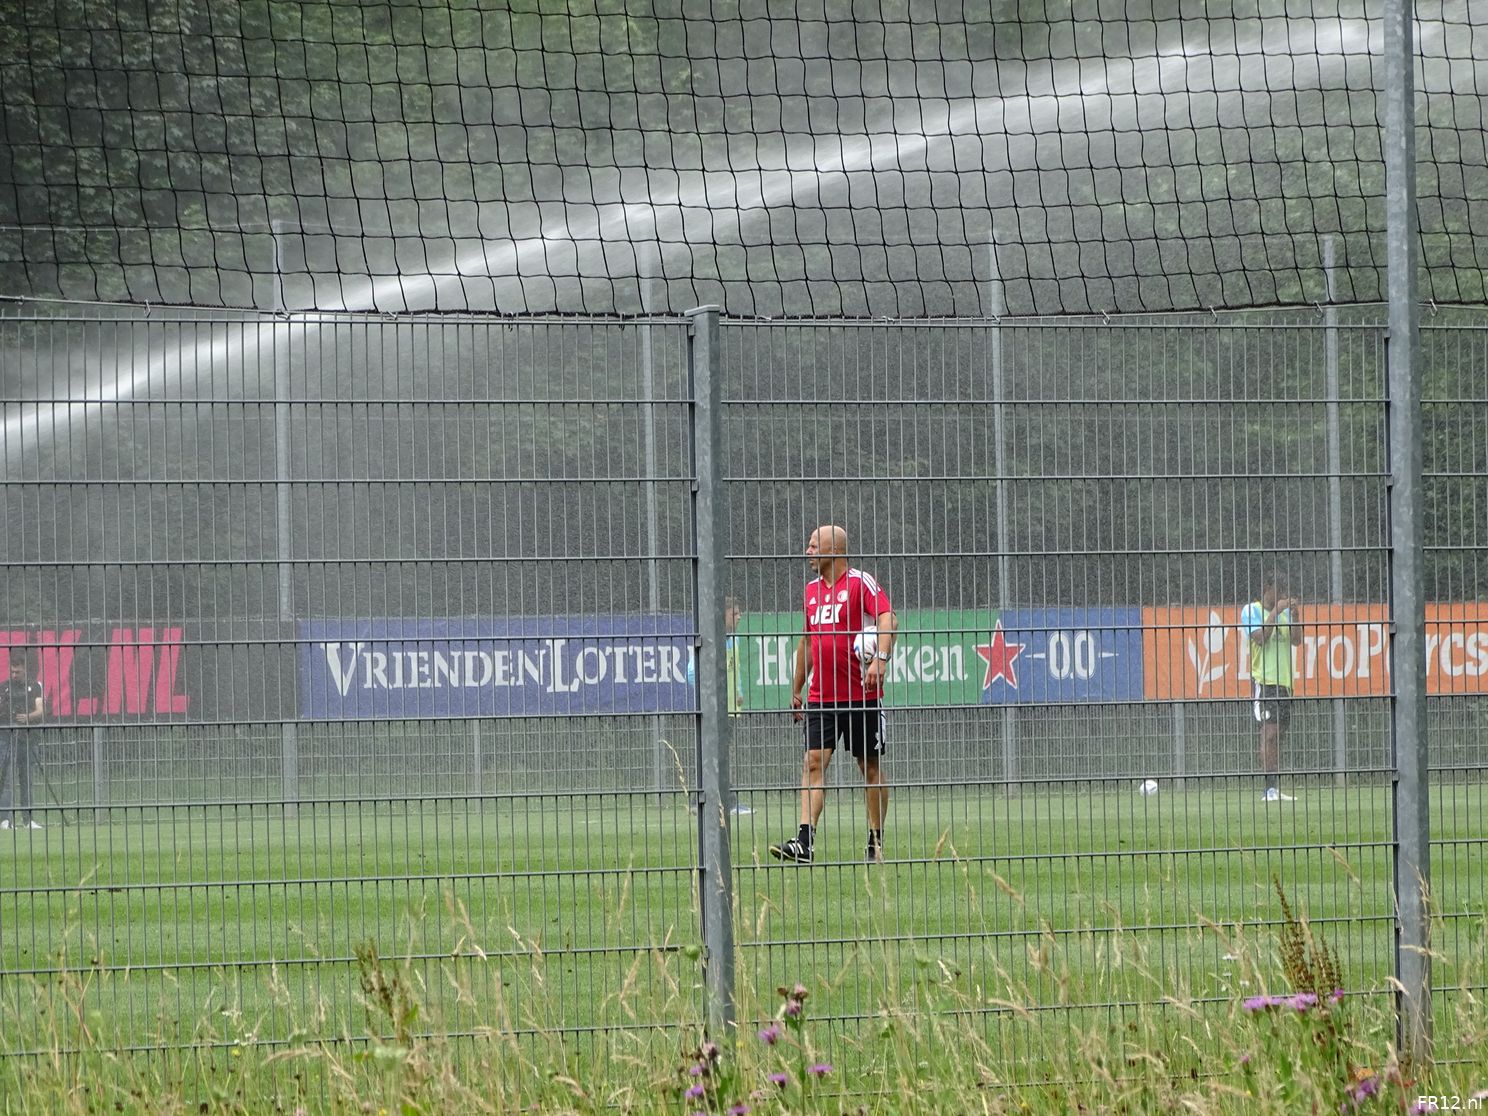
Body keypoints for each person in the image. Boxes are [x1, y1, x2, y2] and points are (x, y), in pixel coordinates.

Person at [770, 525, 897, 864]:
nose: (807, 552)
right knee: (812, 762)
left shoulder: (860, 583)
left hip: (861, 697)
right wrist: (797, 689)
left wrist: (879, 660)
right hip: (821, 697)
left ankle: (875, 841)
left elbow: (889, 619)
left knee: (868, 766)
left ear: (832, 550)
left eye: (813, 546)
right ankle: (804, 842)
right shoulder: (810, 591)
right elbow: (808, 641)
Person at [1240, 574, 1303, 803]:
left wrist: (1294, 615)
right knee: (1269, 734)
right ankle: (1268, 788)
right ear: (1267, 587)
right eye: (1279, 589)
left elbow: (1296, 641)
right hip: (1264, 681)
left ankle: (1275, 786)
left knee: (1280, 736)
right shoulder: (1251, 610)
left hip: (1285, 682)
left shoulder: (1286, 614)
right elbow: (1260, 638)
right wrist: (1275, 612)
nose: (1283, 596)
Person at [0, 654, 45, 830]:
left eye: (17, 672)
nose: (14, 675)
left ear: (25, 669)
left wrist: (26, 717)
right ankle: (5, 819)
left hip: (28, 738)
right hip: (5, 738)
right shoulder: (4, 687)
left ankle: (28, 819)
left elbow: (40, 710)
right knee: (6, 780)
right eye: (12, 671)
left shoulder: (35, 686)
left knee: (26, 779)